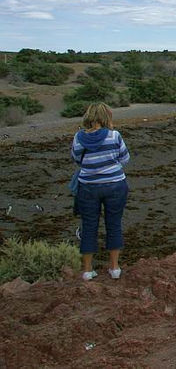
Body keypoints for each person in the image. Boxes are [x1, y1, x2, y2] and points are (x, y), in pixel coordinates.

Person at [70, 102, 130, 281]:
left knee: (89, 225)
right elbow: (125, 158)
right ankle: (114, 268)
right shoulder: (114, 135)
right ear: (107, 117)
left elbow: (75, 158)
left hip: (88, 186)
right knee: (114, 224)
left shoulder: (79, 137)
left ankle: (88, 270)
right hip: (115, 185)